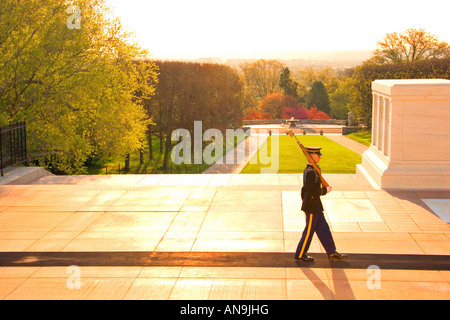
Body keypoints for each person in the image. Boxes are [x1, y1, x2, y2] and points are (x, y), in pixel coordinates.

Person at [295, 146, 347, 262]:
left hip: (316, 206)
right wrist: (325, 190)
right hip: (312, 207)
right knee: (308, 232)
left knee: (324, 229)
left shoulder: (313, 170)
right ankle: (300, 254)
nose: (319, 156)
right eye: (317, 155)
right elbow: (310, 191)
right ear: (311, 156)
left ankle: (331, 251)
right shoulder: (310, 172)